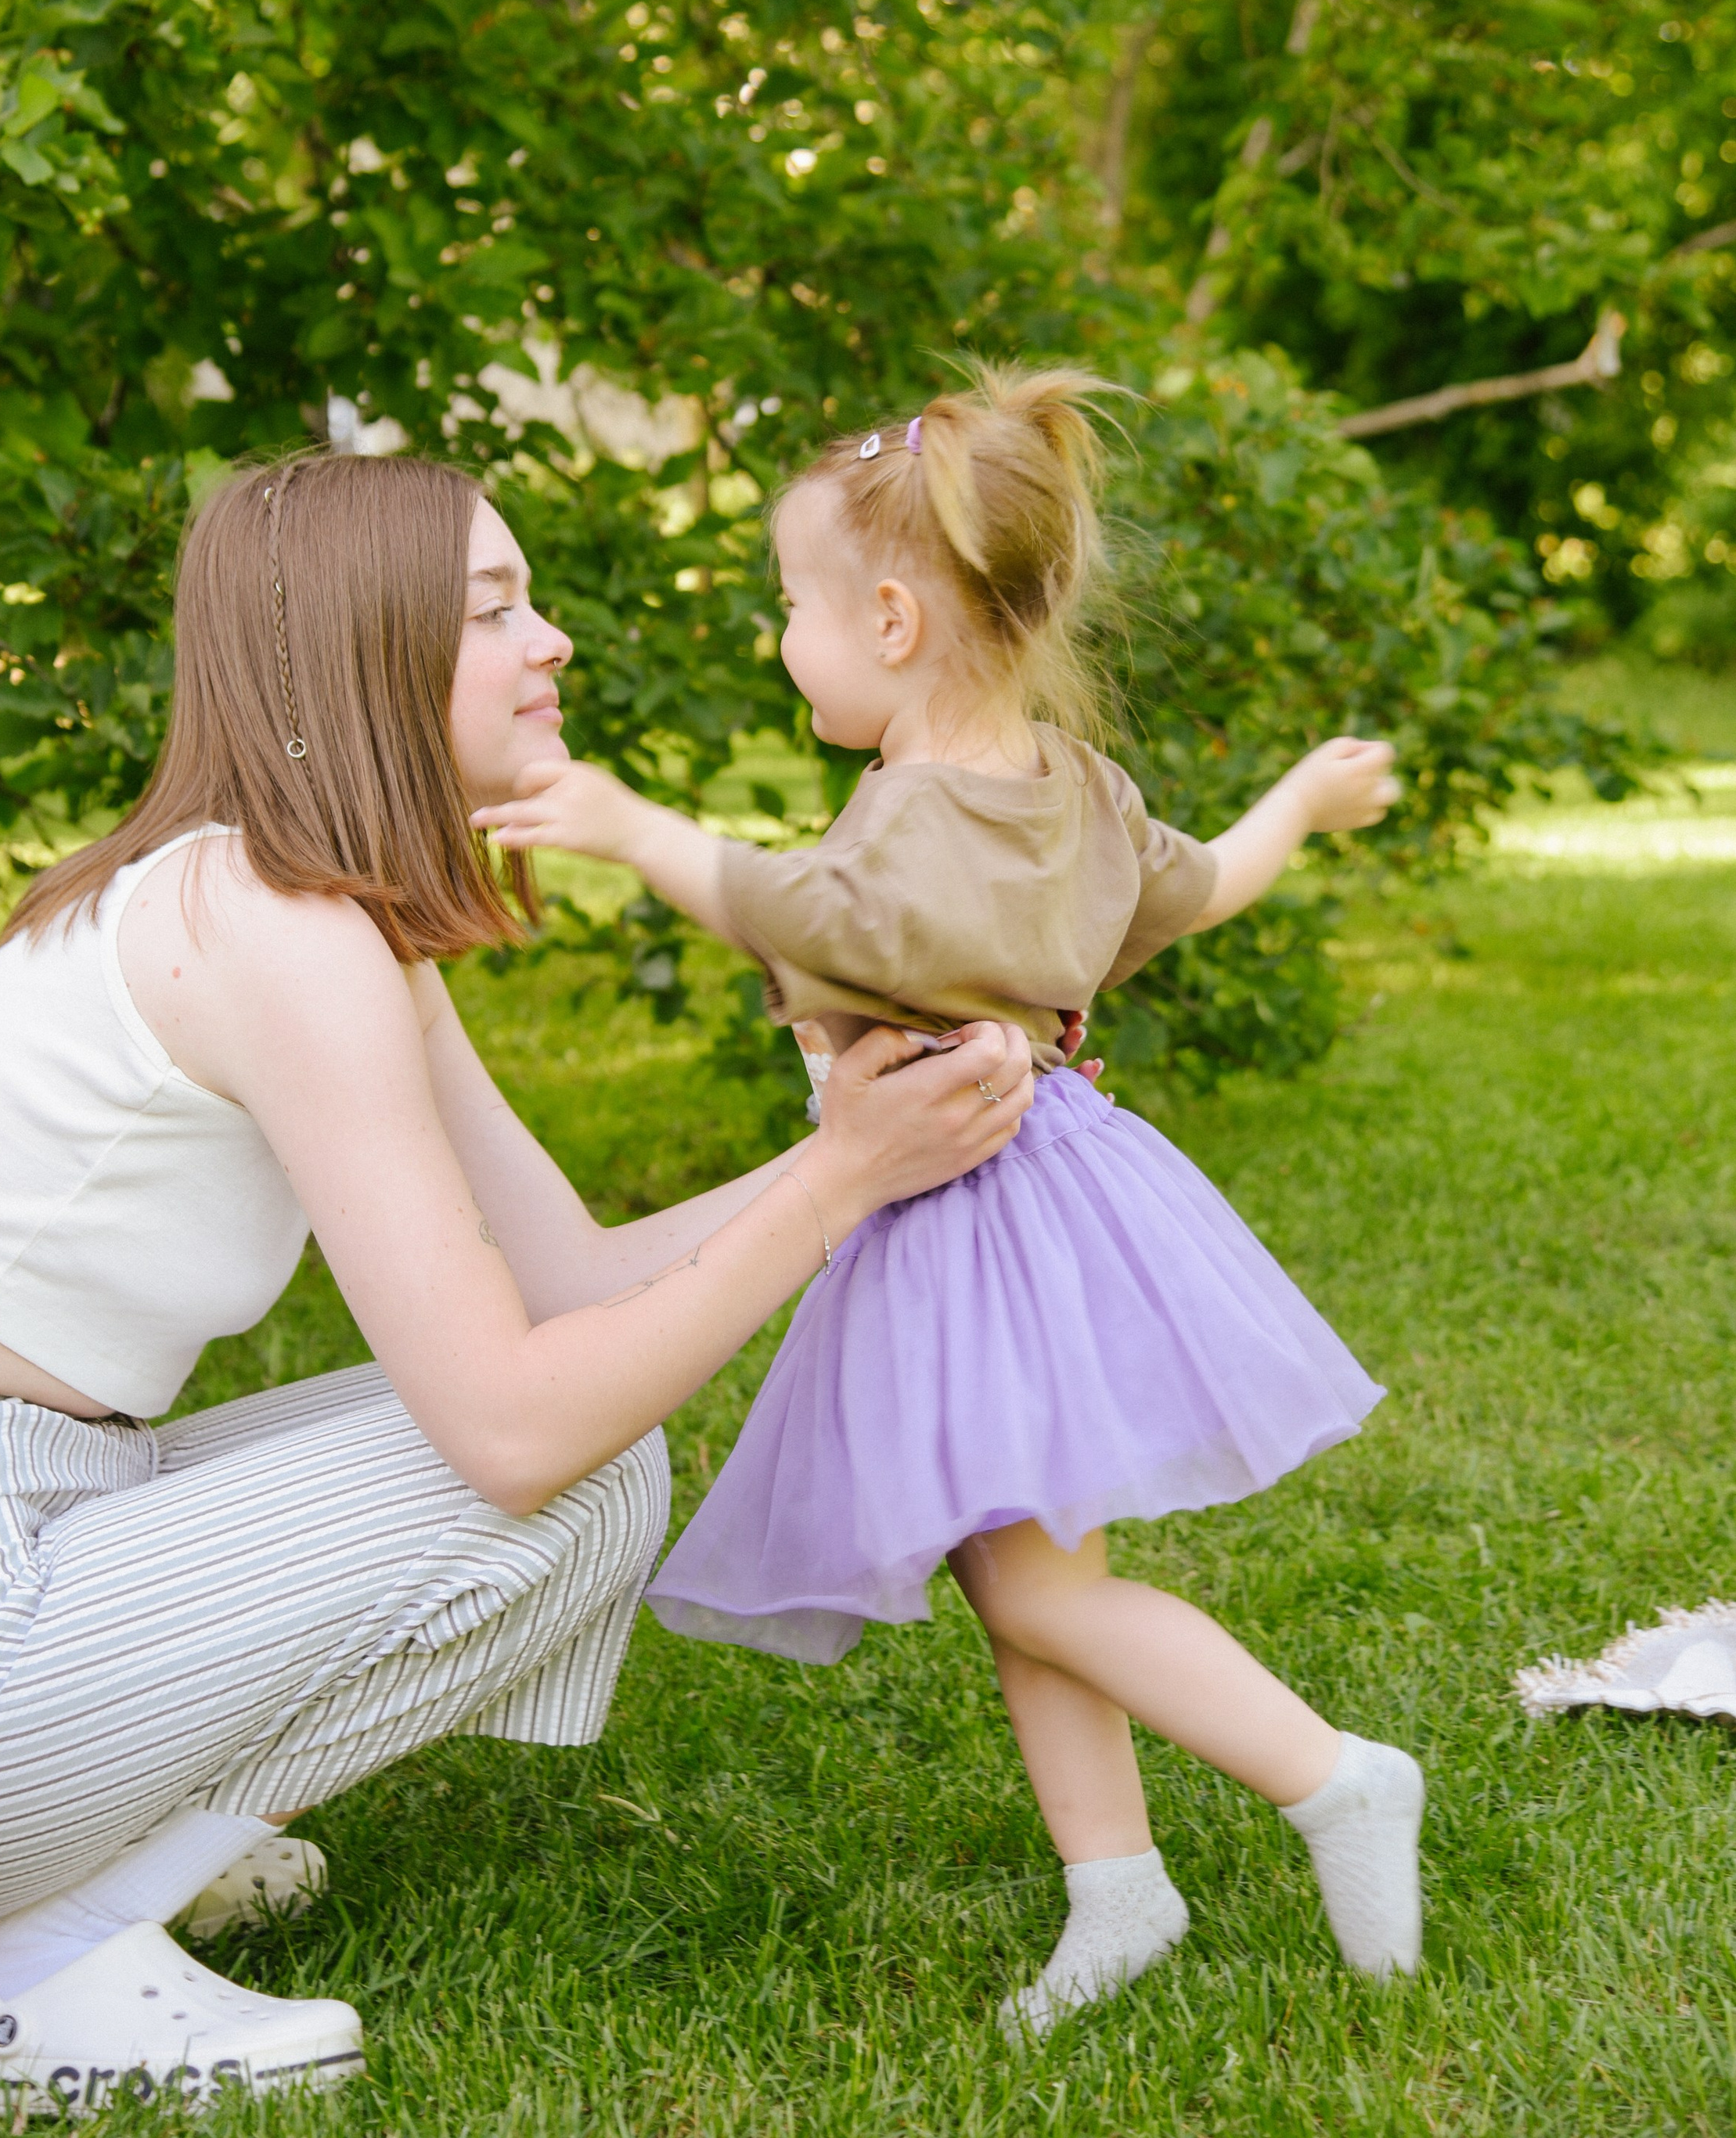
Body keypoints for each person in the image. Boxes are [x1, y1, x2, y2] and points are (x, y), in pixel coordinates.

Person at [0, 454, 1033, 2108]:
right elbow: (509, 1426)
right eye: (494, 609)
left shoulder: (311, 914)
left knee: (585, 1440)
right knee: (566, 1472)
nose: (551, 639)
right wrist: (846, 1177)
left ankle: (54, 1874)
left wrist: (864, 1144)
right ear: (365, 652)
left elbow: (566, 1285)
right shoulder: (269, 923)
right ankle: (36, 1967)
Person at [477, 365, 1427, 2037]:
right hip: (1043, 1194)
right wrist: (1298, 801)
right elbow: (1192, 886)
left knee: (1043, 1582)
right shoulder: (1062, 778)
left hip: (979, 1211)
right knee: (1019, 1574)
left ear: (895, 619)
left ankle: (1331, 1773)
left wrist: (633, 829)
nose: (786, 636)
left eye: (791, 605)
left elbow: (817, 907)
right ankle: (1116, 1888)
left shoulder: (917, 817)